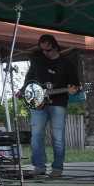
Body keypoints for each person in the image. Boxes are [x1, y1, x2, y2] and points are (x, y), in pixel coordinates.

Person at [20, 35, 80, 178]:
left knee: (57, 137)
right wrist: (24, 90)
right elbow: (30, 77)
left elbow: (75, 84)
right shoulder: (37, 57)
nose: (45, 53)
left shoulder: (65, 64)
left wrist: (74, 89)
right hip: (37, 102)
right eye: (42, 50)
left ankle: (57, 168)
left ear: (55, 47)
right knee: (36, 136)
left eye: (48, 50)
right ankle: (39, 166)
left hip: (58, 103)